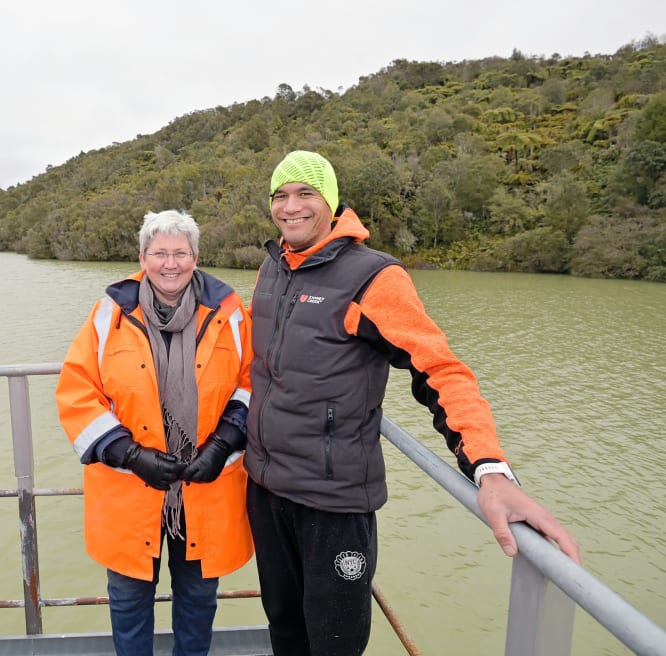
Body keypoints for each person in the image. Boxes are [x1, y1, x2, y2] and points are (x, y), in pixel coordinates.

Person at [245, 150, 582, 656]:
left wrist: (491, 471)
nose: (290, 207)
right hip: (267, 491)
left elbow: (440, 370)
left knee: (333, 643)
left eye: (305, 193)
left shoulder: (372, 277)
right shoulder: (272, 270)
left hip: (333, 503)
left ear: (331, 203)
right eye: (280, 196)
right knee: (285, 630)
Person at [55, 209, 254, 656]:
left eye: (180, 253)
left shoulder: (232, 314)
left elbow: (252, 381)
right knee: (127, 601)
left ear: (196, 257)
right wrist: (128, 454)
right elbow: (76, 392)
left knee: (199, 600)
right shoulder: (109, 315)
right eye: (159, 253)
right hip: (130, 490)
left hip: (205, 484)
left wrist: (223, 444)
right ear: (142, 257)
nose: (170, 263)